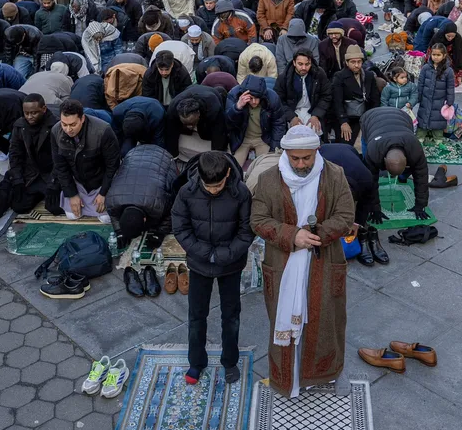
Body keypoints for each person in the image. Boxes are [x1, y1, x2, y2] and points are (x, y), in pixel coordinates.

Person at [251, 125, 355, 398]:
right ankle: (288, 378)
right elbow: (258, 220)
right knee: (281, 319)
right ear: (285, 154)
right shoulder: (268, 180)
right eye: (294, 158)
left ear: (316, 152)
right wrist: (292, 235)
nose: (300, 164)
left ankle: (323, 373)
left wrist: (314, 235)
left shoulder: (335, 175)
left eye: (306, 158)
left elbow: (345, 216)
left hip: (324, 261)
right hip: (283, 265)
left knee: (326, 321)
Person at [172, 150, 254, 385]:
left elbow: (247, 230)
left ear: (228, 174)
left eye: (218, 186)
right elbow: (180, 227)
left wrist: (225, 254)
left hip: (230, 264)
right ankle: (196, 362)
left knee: (231, 315)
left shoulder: (241, 193)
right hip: (199, 264)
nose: (213, 190)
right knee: (197, 316)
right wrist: (204, 253)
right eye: (209, 187)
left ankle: (230, 361)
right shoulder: (187, 192)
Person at [51, 99, 121, 223]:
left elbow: (113, 166)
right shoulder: (56, 131)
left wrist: (104, 192)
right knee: (72, 215)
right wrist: (72, 194)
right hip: (78, 181)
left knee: (106, 218)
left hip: (100, 181)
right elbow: (60, 167)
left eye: (73, 125)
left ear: (82, 119)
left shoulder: (103, 130)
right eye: (64, 124)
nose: (68, 129)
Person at [319, 142, 387, 266]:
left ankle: (364, 236)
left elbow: (365, 203)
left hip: (350, 151)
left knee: (359, 217)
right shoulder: (321, 177)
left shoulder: (366, 178)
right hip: (325, 151)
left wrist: (357, 223)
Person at [360, 106, 430, 221]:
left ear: (407, 160)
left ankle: (403, 177)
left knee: (417, 169)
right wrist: (374, 209)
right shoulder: (373, 150)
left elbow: (421, 175)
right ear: (384, 161)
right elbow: (371, 180)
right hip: (370, 117)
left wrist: (420, 205)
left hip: (402, 117)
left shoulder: (414, 147)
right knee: (366, 169)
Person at [106, 144, 179, 250]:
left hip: (164, 158)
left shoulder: (158, 202)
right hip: (133, 154)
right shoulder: (112, 200)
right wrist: (120, 232)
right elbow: (113, 214)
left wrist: (159, 234)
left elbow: (172, 212)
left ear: (145, 219)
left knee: (174, 187)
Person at [6, 94, 64, 215]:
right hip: (31, 174)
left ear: (44, 109)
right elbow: (15, 155)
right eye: (26, 113)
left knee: (55, 208)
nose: (29, 117)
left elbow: (62, 158)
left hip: (51, 173)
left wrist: (54, 182)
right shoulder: (20, 126)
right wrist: (18, 180)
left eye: (34, 113)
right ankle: (38, 193)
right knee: (19, 207)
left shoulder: (56, 125)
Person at [225, 75, 284, 166]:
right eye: (251, 98)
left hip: (263, 138)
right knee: (232, 167)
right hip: (241, 138)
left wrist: (274, 149)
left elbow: (278, 124)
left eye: (257, 98)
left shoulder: (272, 98)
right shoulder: (234, 94)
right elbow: (228, 123)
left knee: (268, 167)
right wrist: (237, 107)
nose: (254, 102)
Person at [164, 84, 229, 161]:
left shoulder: (213, 107)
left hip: (211, 95)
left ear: (198, 113)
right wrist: (173, 157)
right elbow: (171, 134)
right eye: (186, 124)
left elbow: (219, 134)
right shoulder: (172, 109)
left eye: (192, 124)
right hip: (190, 90)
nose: (189, 127)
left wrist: (216, 159)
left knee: (206, 134)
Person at [275, 50, 331, 136]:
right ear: (294, 63)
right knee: (296, 134)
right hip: (293, 111)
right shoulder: (284, 77)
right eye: (300, 64)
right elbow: (279, 100)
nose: (304, 68)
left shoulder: (319, 74)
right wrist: (291, 117)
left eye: (307, 64)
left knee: (313, 132)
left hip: (313, 110)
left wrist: (316, 115)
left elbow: (326, 96)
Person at [331, 46, 378, 146]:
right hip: (347, 117)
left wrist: (372, 119)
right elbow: (337, 101)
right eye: (353, 62)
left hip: (365, 116)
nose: (356, 65)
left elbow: (375, 99)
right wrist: (343, 122)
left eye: (359, 62)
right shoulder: (339, 77)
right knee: (347, 144)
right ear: (347, 63)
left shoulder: (368, 76)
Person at [416, 44, 455, 142]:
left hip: (440, 100)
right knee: (423, 118)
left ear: (444, 55)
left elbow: (450, 87)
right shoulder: (425, 68)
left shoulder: (448, 71)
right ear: (430, 55)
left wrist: (450, 101)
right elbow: (420, 83)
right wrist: (418, 97)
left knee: (438, 119)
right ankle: (420, 137)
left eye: (438, 55)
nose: (436, 57)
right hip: (426, 99)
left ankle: (438, 138)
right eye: (434, 55)